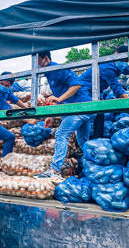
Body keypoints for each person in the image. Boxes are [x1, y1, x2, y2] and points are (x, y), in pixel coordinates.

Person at [34, 51, 94, 181]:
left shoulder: (56, 68)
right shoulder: (48, 73)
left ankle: (55, 171)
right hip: (80, 109)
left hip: (80, 107)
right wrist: (52, 116)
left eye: (37, 61)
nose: (36, 65)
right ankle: (94, 168)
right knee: (83, 141)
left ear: (45, 58)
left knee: (61, 134)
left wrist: (59, 98)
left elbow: (76, 85)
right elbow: (58, 99)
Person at [79, 45, 129, 138]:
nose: (123, 62)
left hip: (96, 93)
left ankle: (96, 140)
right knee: (87, 118)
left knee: (99, 115)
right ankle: (90, 142)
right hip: (84, 91)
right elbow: (117, 89)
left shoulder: (120, 65)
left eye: (126, 60)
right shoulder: (107, 66)